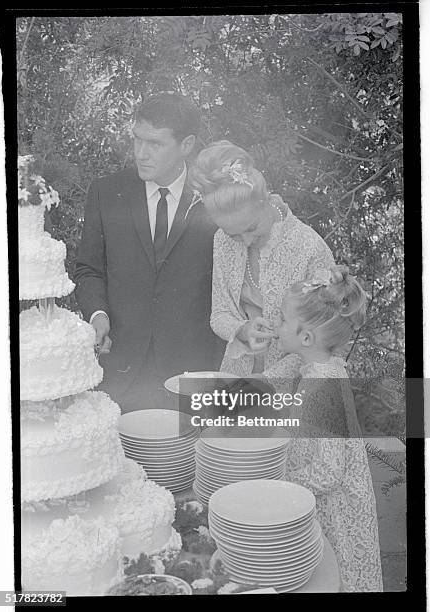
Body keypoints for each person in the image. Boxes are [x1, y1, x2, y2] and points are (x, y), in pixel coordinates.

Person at [74, 93, 224, 413]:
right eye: (137, 140)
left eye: (154, 144)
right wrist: (97, 316)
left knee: (186, 462)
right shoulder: (106, 191)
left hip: (193, 370)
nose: (141, 153)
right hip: (121, 368)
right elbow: (88, 268)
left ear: (186, 145)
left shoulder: (215, 196)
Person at [274, 265, 383, 592]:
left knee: (334, 575)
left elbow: (328, 471)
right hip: (317, 500)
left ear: (305, 337)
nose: (277, 326)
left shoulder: (325, 385)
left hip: (335, 511)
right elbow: (271, 381)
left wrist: (277, 483)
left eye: (282, 321)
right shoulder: (315, 362)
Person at [189, 140, 334, 378]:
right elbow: (220, 314)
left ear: (265, 199)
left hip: (297, 382)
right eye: (232, 234)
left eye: (252, 227)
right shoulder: (221, 241)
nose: (245, 242)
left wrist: (268, 382)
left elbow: (324, 341)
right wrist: (243, 330)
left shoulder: (309, 246)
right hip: (238, 374)